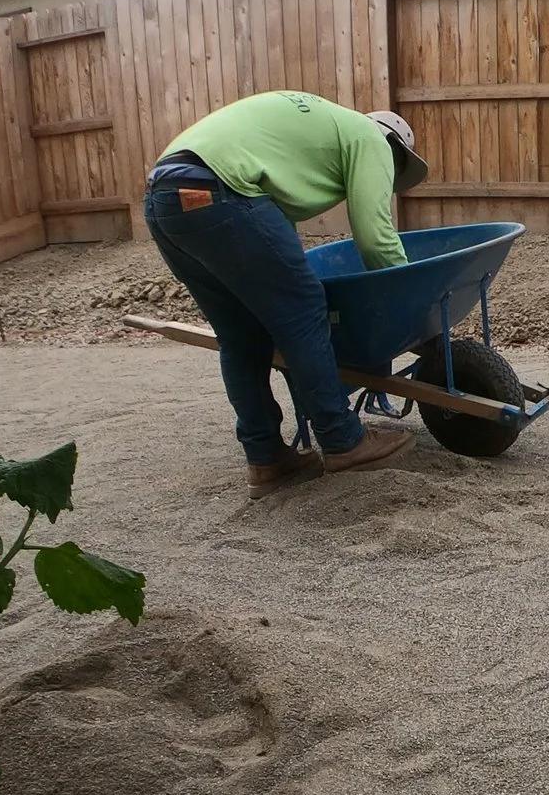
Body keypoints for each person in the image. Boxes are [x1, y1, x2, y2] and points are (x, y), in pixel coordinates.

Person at [142, 91, 430, 494]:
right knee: (304, 309)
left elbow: (267, 230)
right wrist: (411, 299)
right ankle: (343, 439)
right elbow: (375, 237)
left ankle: (267, 459)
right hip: (219, 186)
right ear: (396, 151)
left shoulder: (315, 133)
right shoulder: (371, 139)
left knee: (241, 334)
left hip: (165, 196)